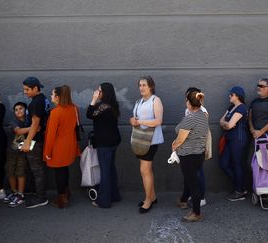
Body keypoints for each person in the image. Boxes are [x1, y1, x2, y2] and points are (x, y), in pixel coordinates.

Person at [172, 90, 209, 222]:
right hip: (198, 154)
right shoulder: (203, 115)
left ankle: (196, 213)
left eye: (186, 100)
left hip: (189, 155)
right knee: (190, 179)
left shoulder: (190, 118)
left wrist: (175, 145)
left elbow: (181, 139)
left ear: (189, 102)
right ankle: (183, 200)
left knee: (193, 184)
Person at [129, 76, 164, 213]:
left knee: (144, 170)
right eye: (140, 85)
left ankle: (148, 200)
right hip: (140, 139)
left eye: (144, 85)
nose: (141, 87)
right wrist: (132, 120)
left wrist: (140, 122)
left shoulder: (156, 100)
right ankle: (152, 196)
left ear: (151, 86)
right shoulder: (139, 101)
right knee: (146, 170)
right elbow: (136, 118)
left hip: (151, 140)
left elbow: (158, 121)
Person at [44, 85, 80, 208]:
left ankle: (61, 197)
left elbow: (50, 135)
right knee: (64, 170)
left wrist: (47, 152)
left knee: (59, 172)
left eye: (52, 94)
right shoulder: (74, 108)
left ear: (58, 97)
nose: (51, 96)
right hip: (70, 144)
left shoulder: (56, 112)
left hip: (58, 147)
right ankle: (66, 193)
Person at [86, 82, 122, 208]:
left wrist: (93, 99)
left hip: (105, 143)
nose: (97, 92)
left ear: (104, 92)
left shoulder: (102, 106)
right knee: (111, 169)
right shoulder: (113, 105)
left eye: (100, 90)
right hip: (113, 141)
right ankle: (114, 195)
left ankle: (104, 200)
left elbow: (89, 114)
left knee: (105, 171)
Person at [247, 78, 268, 188]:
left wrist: (261, 131)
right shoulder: (254, 101)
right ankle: (258, 187)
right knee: (251, 163)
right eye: (258, 85)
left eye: (261, 86)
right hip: (255, 137)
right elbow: (249, 118)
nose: (258, 87)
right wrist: (253, 130)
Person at [22, 77, 50, 208]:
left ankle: (41, 197)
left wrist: (27, 141)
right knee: (38, 169)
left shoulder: (36, 103)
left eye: (27, 89)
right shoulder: (43, 99)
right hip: (39, 138)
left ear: (35, 88)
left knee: (37, 170)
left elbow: (35, 123)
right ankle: (38, 194)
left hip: (36, 140)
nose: (25, 92)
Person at [219, 86, 249, 201]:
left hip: (239, 140)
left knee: (237, 164)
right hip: (230, 139)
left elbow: (229, 125)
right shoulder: (232, 107)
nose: (229, 96)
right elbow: (221, 121)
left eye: (231, 94)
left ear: (237, 95)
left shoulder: (241, 108)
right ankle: (240, 186)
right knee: (224, 163)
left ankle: (240, 191)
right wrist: (226, 124)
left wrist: (227, 124)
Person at [179, 87, 207, 208]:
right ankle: (190, 196)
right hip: (189, 147)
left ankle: (201, 197)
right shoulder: (189, 111)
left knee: (198, 173)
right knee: (192, 174)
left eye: (188, 97)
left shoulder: (202, 111)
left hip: (196, 148)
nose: (186, 99)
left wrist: (176, 144)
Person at [3, 102, 29, 207]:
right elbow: (18, 131)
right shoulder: (13, 122)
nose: (18, 111)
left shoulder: (29, 121)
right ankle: (14, 192)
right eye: (16, 109)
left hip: (23, 152)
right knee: (10, 172)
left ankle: (20, 194)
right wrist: (34, 128)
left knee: (21, 172)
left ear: (26, 110)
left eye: (21, 108)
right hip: (11, 152)